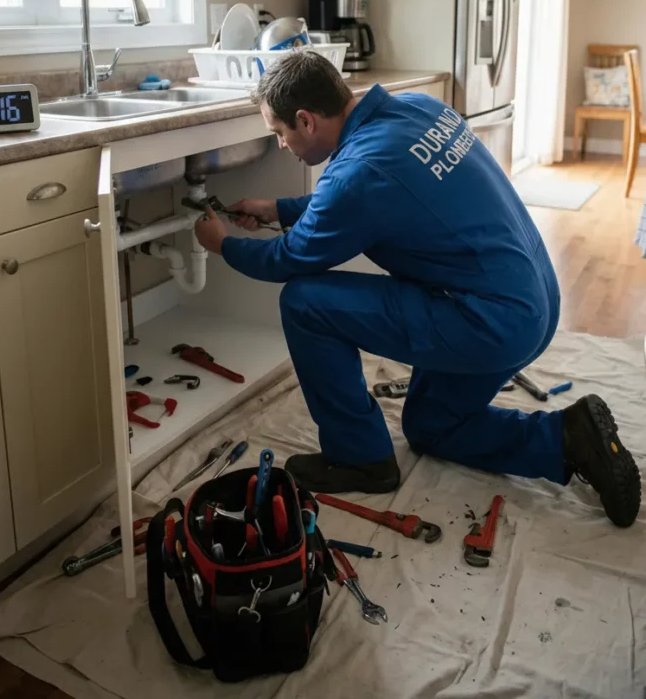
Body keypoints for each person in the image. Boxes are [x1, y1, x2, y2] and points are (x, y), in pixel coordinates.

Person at [194, 50, 641, 527]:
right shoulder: (417, 109)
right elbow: (360, 196)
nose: (281, 145)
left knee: (305, 302)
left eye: (279, 132)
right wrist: (280, 209)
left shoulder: (360, 173)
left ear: (306, 120)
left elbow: (291, 256)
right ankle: (568, 437)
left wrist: (223, 245)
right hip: (536, 301)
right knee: (431, 426)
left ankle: (359, 458)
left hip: (489, 323)